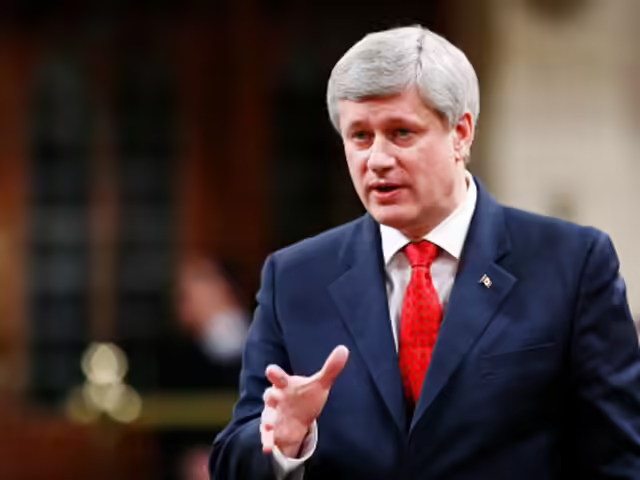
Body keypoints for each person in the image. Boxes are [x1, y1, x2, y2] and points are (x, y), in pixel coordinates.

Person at [209, 25, 640, 480]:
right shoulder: (295, 278)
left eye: (401, 133)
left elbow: (621, 458)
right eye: (360, 136)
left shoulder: (571, 263)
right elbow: (234, 460)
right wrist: (285, 443)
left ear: (461, 133)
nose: (377, 159)